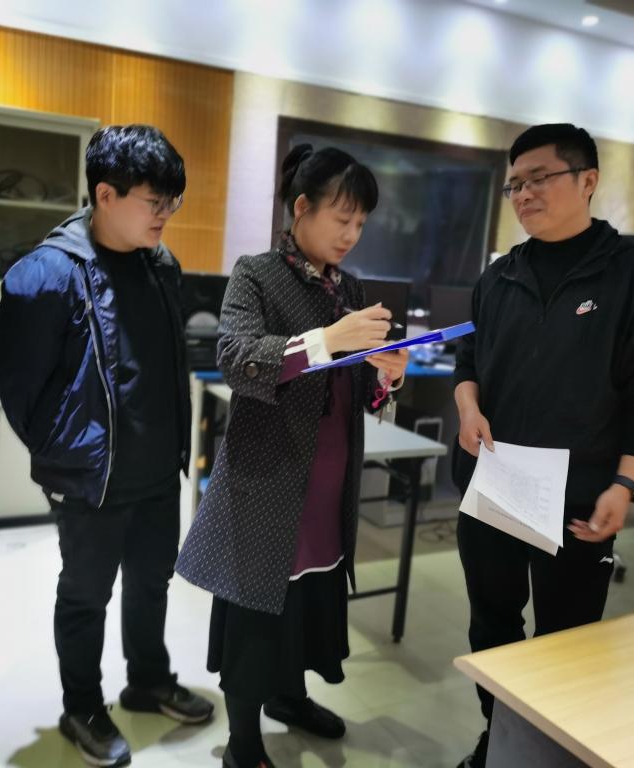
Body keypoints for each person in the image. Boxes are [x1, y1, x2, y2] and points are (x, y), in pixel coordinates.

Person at [451, 123, 634, 768]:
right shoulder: (500, 276)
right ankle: (500, 736)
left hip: (579, 496)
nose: (524, 194)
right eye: (514, 184)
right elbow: (469, 359)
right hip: (495, 484)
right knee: (492, 625)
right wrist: (468, 406)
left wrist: (625, 482)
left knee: (568, 637)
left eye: (539, 178)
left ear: (588, 180)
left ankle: (549, 749)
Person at [175, 144, 408, 768]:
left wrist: (387, 375)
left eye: (361, 224)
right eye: (342, 219)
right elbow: (236, 360)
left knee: (308, 603)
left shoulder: (350, 287)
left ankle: (290, 696)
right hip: (267, 481)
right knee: (256, 613)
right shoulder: (255, 273)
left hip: (328, 484)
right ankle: (243, 741)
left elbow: (360, 388)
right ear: (301, 207)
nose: (351, 235)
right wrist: (327, 339)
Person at [0, 124, 213, 768]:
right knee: (86, 595)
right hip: (90, 475)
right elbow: (19, 386)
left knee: (152, 584)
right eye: (155, 201)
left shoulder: (161, 265)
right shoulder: (45, 275)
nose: (166, 214)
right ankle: (82, 707)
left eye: (173, 201)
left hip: (157, 468)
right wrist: (61, 451)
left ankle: (148, 680)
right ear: (105, 194)